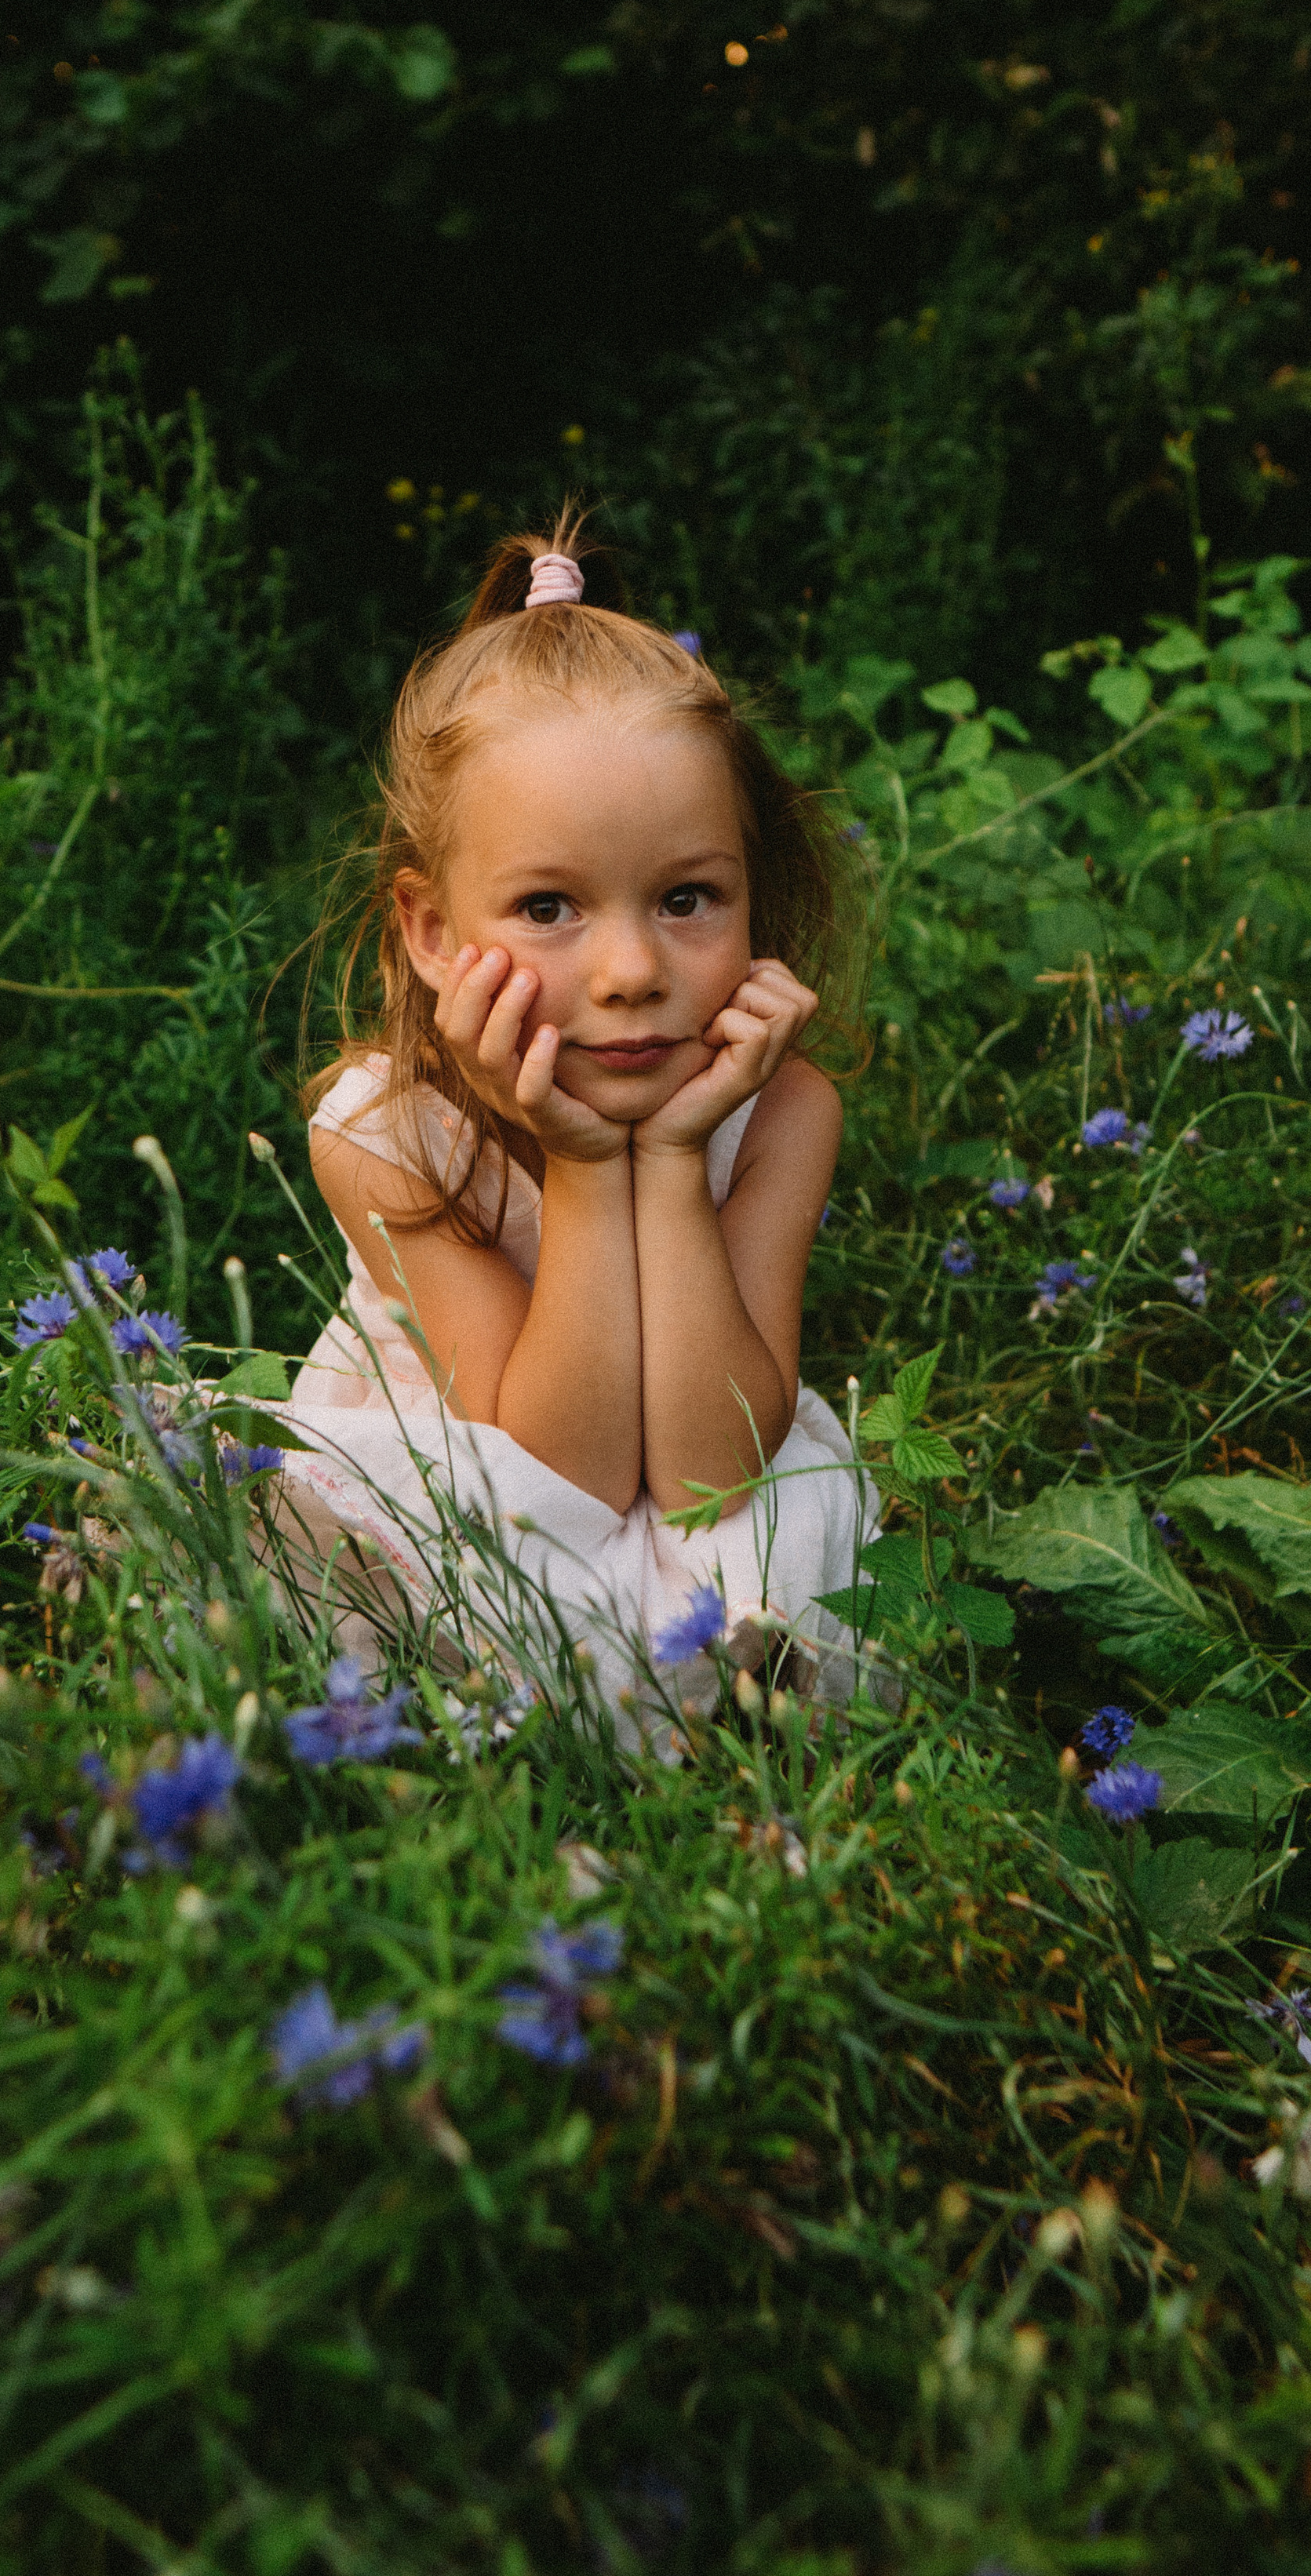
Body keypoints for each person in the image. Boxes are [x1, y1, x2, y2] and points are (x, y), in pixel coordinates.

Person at [275, 520, 874, 1727]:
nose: (631, 970)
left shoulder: (781, 1110)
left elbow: (709, 1475)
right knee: (447, 1573)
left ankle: (681, 1701)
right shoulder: (381, 1134)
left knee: (770, 1543)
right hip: (486, 1474)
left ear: (753, 896)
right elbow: (562, 1480)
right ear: (434, 932)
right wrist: (589, 1160)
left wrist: (670, 1162)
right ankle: (616, 1707)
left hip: (709, 1467)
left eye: (687, 898)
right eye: (550, 906)